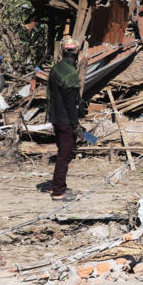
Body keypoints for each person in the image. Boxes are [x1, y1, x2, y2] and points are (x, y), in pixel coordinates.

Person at [48, 36, 82, 201]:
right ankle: (58, 191)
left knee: (61, 152)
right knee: (65, 155)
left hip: (55, 117)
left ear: (62, 51)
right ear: (77, 53)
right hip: (65, 120)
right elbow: (71, 104)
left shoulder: (55, 70)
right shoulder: (72, 75)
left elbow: (50, 94)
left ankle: (56, 185)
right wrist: (75, 124)